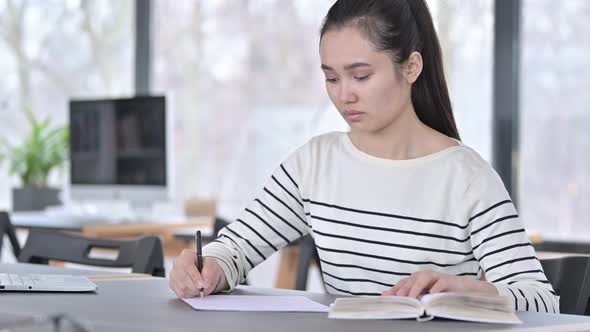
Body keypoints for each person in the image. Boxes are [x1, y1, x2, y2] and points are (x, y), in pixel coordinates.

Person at [169, 0, 559, 313]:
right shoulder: (314, 164)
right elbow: (235, 248)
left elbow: (542, 300)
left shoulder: (467, 178)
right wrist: (210, 268)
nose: (344, 95)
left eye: (361, 76)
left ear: (411, 66)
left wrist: (471, 291)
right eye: (332, 78)